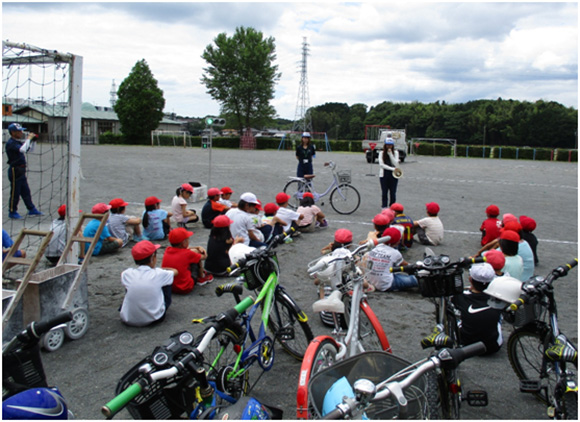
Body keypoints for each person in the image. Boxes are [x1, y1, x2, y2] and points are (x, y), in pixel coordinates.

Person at [119, 240, 177, 327]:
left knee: (132, 286)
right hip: (154, 318)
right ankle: (158, 307)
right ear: (153, 257)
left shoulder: (127, 273)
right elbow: (175, 272)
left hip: (128, 318)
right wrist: (161, 269)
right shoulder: (159, 273)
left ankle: (132, 308)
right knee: (167, 280)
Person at [451, 263, 503, 355]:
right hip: (492, 347)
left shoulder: (461, 297)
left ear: (470, 279)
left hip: (466, 345)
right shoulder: (499, 297)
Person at [5, 123, 43, 219]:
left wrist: (33, 141)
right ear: (13, 132)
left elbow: (29, 150)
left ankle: (31, 209)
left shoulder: (17, 142)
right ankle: (12, 211)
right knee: (15, 192)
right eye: (19, 131)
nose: (21, 133)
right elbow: (23, 149)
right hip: (15, 170)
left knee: (25, 191)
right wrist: (29, 139)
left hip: (21, 170)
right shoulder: (11, 143)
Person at [363, 227, 418, 292]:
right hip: (385, 284)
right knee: (415, 280)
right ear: (398, 241)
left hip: (370, 280)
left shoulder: (376, 247)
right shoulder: (395, 253)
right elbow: (406, 266)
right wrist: (417, 267)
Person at [161, 227, 213, 294]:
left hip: (170, 286)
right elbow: (204, 257)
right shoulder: (188, 254)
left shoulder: (167, 250)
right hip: (185, 287)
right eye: (187, 239)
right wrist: (202, 250)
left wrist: (196, 247)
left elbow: (185, 250)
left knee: (193, 254)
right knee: (196, 256)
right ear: (184, 242)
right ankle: (202, 277)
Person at [378, 133, 400, 208]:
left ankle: (393, 208)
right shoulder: (381, 153)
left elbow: (396, 163)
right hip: (384, 175)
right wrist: (392, 169)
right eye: (387, 145)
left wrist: (391, 155)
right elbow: (381, 165)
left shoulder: (396, 153)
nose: (389, 146)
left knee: (393, 193)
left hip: (394, 175)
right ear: (385, 145)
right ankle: (384, 207)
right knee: (384, 192)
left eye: (390, 145)